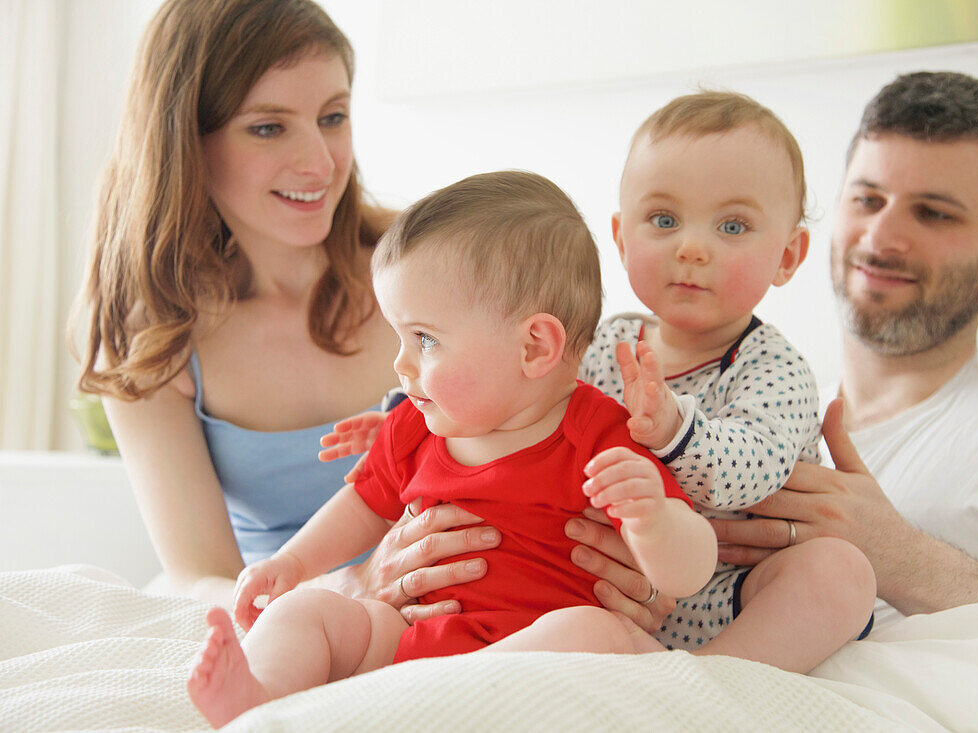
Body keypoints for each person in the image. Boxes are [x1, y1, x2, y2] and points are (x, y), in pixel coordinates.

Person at [325, 92, 877, 669]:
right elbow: (512, 393)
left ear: (788, 257)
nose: (691, 248)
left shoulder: (775, 367)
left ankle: (712, 692)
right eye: (663, 220)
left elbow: (755, 467)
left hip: (727, 588)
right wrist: (408, 413)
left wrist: (671, 429)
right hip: (593, 597)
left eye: (732, 226)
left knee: (839, 572)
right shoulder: (601, 344)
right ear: (620, 237)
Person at [187, 170, 717, 727]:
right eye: (401, 337)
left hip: (529, 660)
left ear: (534, 347)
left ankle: (431, 706)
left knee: (597, 632)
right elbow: (362, 507)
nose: (400, 363)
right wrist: (291, 563)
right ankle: (260, 693)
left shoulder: (598, 435)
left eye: (426, 339)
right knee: (309, 612)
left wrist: (653, 521)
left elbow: (689, 572)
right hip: (414, 640)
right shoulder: (415, 426)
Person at [605, 72, 978, 625]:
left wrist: (901, 557)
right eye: (868, 199)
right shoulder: (745, 402)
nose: (880, 238)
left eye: (933, 212)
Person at [70, 0, 508, 609]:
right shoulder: (154, 337)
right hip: (291, 622)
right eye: (269, 127)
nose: (320, 163)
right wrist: (350, 590)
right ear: (185, 141)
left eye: (333, 117)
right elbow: (200, 580)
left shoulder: (433, 263)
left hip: (477, 598)